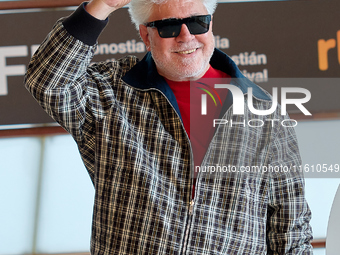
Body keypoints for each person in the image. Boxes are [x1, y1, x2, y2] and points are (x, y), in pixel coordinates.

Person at [25, 0, 313, 254]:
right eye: (168, 27)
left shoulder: (264, 112)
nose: (186, 36)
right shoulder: (111, 91)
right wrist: (101, 6)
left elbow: (290, 229)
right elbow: (47, 81)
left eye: (197, 22)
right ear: (145, 36)